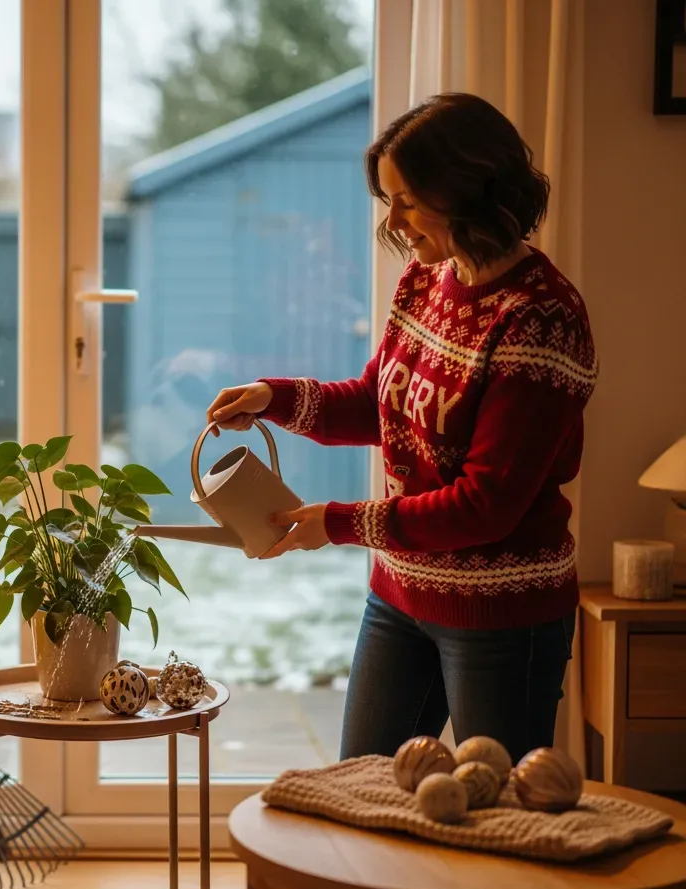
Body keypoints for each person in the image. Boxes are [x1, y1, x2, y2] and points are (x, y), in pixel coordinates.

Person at [205, 93, 598, 764]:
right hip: (400, 597)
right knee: (361, 791)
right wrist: (274, 397)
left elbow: (486, 505)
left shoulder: (540, 318)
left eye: (409, 201)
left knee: (494, 818)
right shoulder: (425, 280)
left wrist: (339, 522)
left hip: (501, 614)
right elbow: (379, 404)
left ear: (469, 190)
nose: (395, 221)